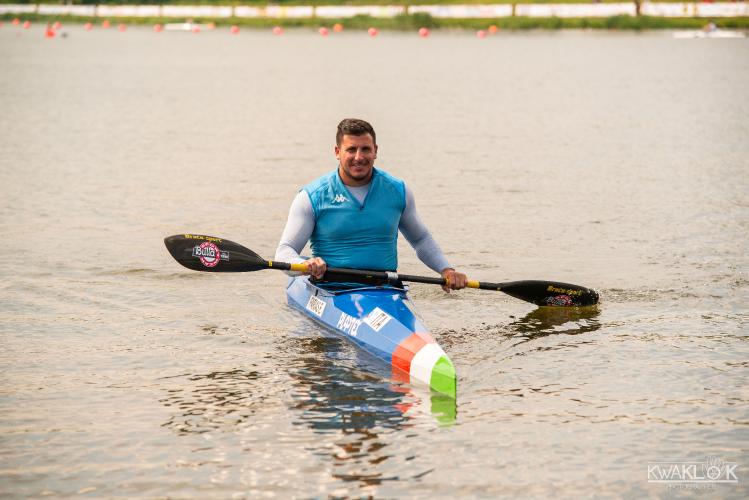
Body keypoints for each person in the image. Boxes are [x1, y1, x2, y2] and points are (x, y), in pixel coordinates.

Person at [275, 118, 467, 292]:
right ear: (337, 152)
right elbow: (285, 251)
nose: (359, 157)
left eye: (365, 149)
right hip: (330, 288)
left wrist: (446, 269)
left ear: (375, 151)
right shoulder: (311, 197)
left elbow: (421, 239)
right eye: (351, 149)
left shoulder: (398, 191)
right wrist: (305, 264)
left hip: (385, 288)